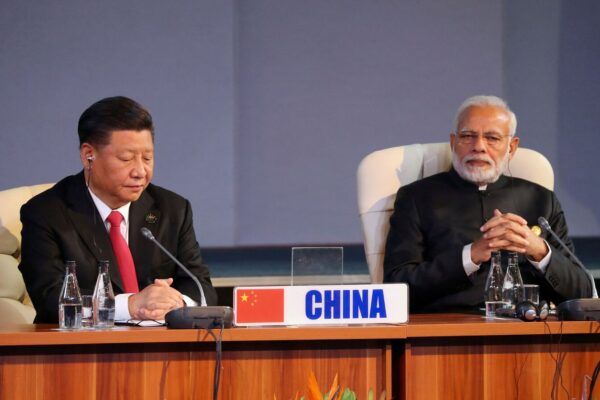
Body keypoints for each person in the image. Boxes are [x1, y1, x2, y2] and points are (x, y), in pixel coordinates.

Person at [383, 95, 594, 312]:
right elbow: (395, 289)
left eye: (492, 138)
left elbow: (583, 294)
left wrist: (538, 250)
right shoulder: (417, 198)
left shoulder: (541, 200)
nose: (479, 146)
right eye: (467, 136)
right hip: (446, 335)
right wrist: (471, 255)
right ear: (453, 142)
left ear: (511, 147)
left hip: (529, 334)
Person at [19, 96, 218, 323]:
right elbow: (50, 300)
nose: (140, 172)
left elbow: (201, 287)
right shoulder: (46, 213)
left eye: (147, 158)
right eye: (126, 159)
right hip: (82, 351)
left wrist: (177, 303)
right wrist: (130, 305)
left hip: (161, 350)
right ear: (88, 156)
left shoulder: (172, 209)